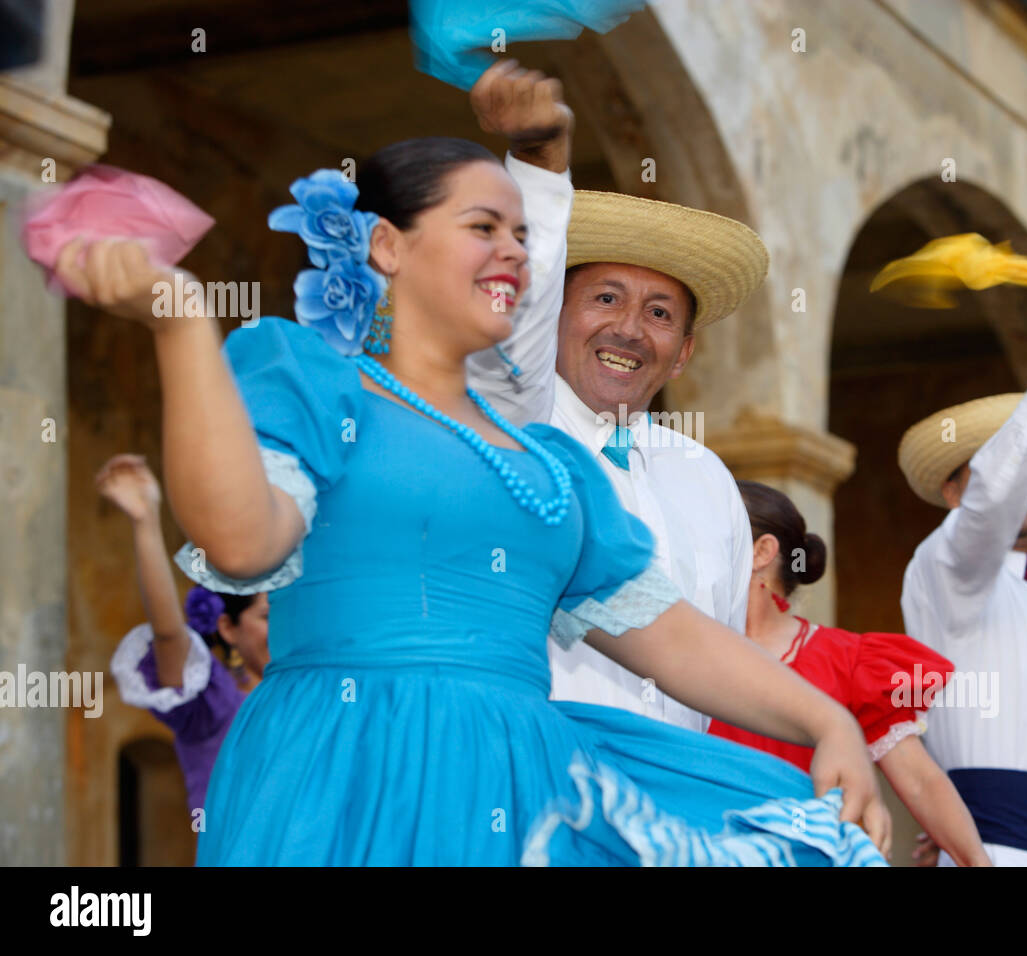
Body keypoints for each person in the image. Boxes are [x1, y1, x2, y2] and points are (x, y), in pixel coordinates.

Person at [52, 135, 888, 865]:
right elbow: (242, 544)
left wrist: (828, 721)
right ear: (386, 246)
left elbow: (674, 639)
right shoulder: (316, 385)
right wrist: (181, 327)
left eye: (523, 235)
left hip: (519, 783)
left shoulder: (551, 465)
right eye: (483, 228)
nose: (515, 253)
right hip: (347, 772)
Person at [464, 61, 758, 732]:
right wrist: (540, 158)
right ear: (554, 317)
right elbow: (523, 296)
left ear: (683, 351)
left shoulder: (708, 478)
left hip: (671, 810)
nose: (629, 327)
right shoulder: (510, 421)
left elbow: (719, 660)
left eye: (659, 313)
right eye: (604, 298)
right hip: (532, 791)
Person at [896, 296, 1027, 867]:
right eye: (1000, 471)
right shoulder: (946, 566)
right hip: (1001, 852)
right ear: (951, 493)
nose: (1024, 488)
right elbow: (994, 497)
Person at [707, 480, 992, 866]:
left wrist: (976, 861)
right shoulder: (678, 656)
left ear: (762, 551)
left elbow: (921, 782)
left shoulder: (848, 662)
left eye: (706, 532)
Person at [101, 454, 268, 815]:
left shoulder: (314, 697)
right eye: (267, 617)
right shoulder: (214, 705)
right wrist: (145, 522)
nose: (283, 628)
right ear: (227, 627)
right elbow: (168, 634)